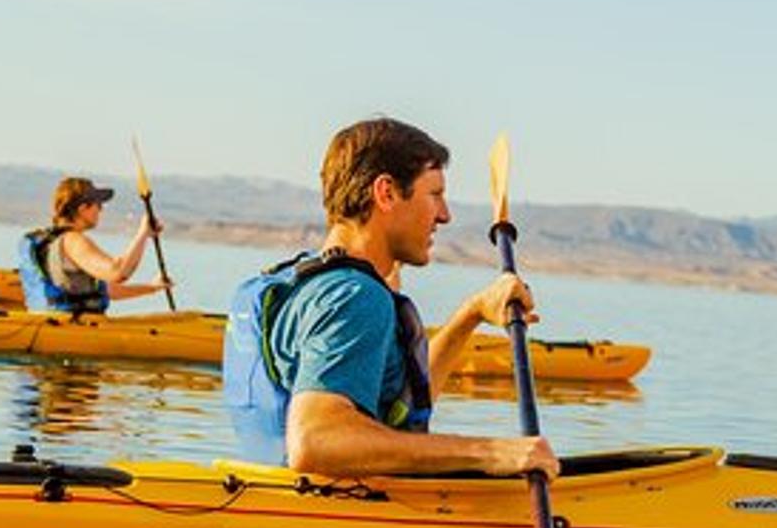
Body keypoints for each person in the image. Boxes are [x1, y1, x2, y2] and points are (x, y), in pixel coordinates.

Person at [224, 115, 557, 479]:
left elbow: (400, 400)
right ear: (386, 193)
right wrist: (490, 452)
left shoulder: (305, 283)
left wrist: (471, 314)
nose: (444, 215)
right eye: (435, 194)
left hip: (268, 498)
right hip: (330, 516)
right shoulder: (355, 297)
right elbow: (317, 441)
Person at [17, 176, 171, 313]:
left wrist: (152, 288)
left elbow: (108, 290)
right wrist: (142, 233)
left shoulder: (51, 242)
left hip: (55, 324)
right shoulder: (73, 241)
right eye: (98, 204)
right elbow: (118, 272)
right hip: (75, 330)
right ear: (83, 209)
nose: (101, 209)